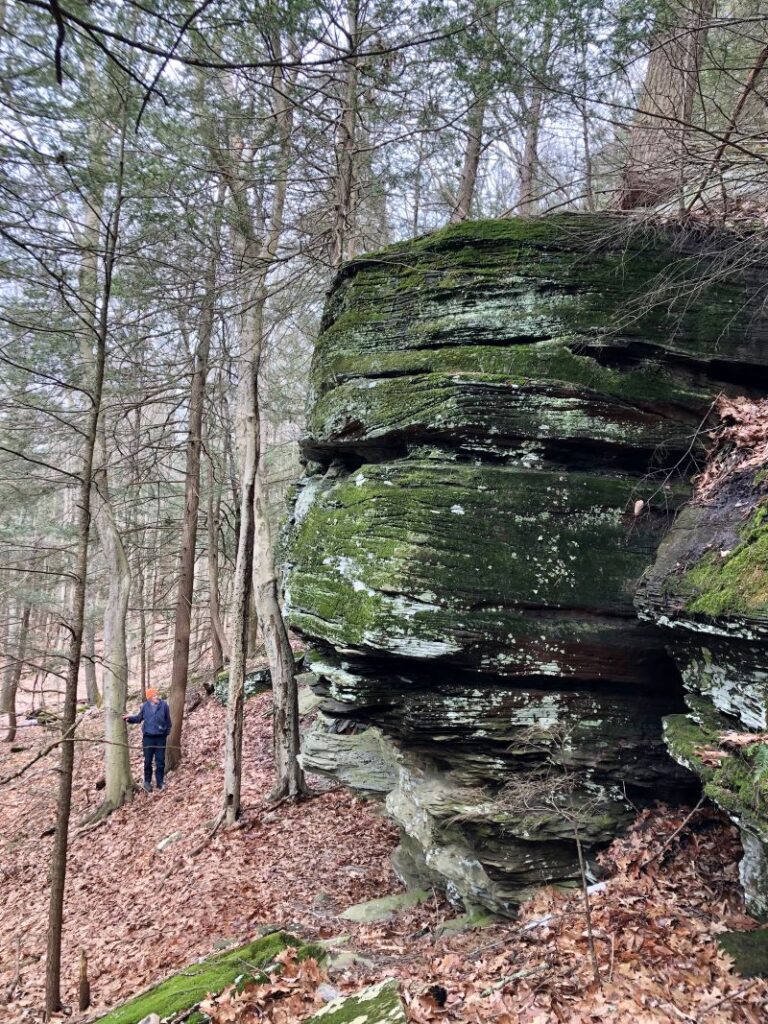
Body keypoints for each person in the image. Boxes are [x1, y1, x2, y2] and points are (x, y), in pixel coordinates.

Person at [123, 688, 172, 792]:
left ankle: (160, 782)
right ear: (149, 698)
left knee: (160, 761)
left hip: (160, 738)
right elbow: (139, 718)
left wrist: (166, 733)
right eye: (154, 696)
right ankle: (147, 782)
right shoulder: (145, 706)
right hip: (148, 738)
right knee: (148, 761)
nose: (156, 697)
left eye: (157, 694)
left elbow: (168, 721)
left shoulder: (164, 705)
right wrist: (129, 718)